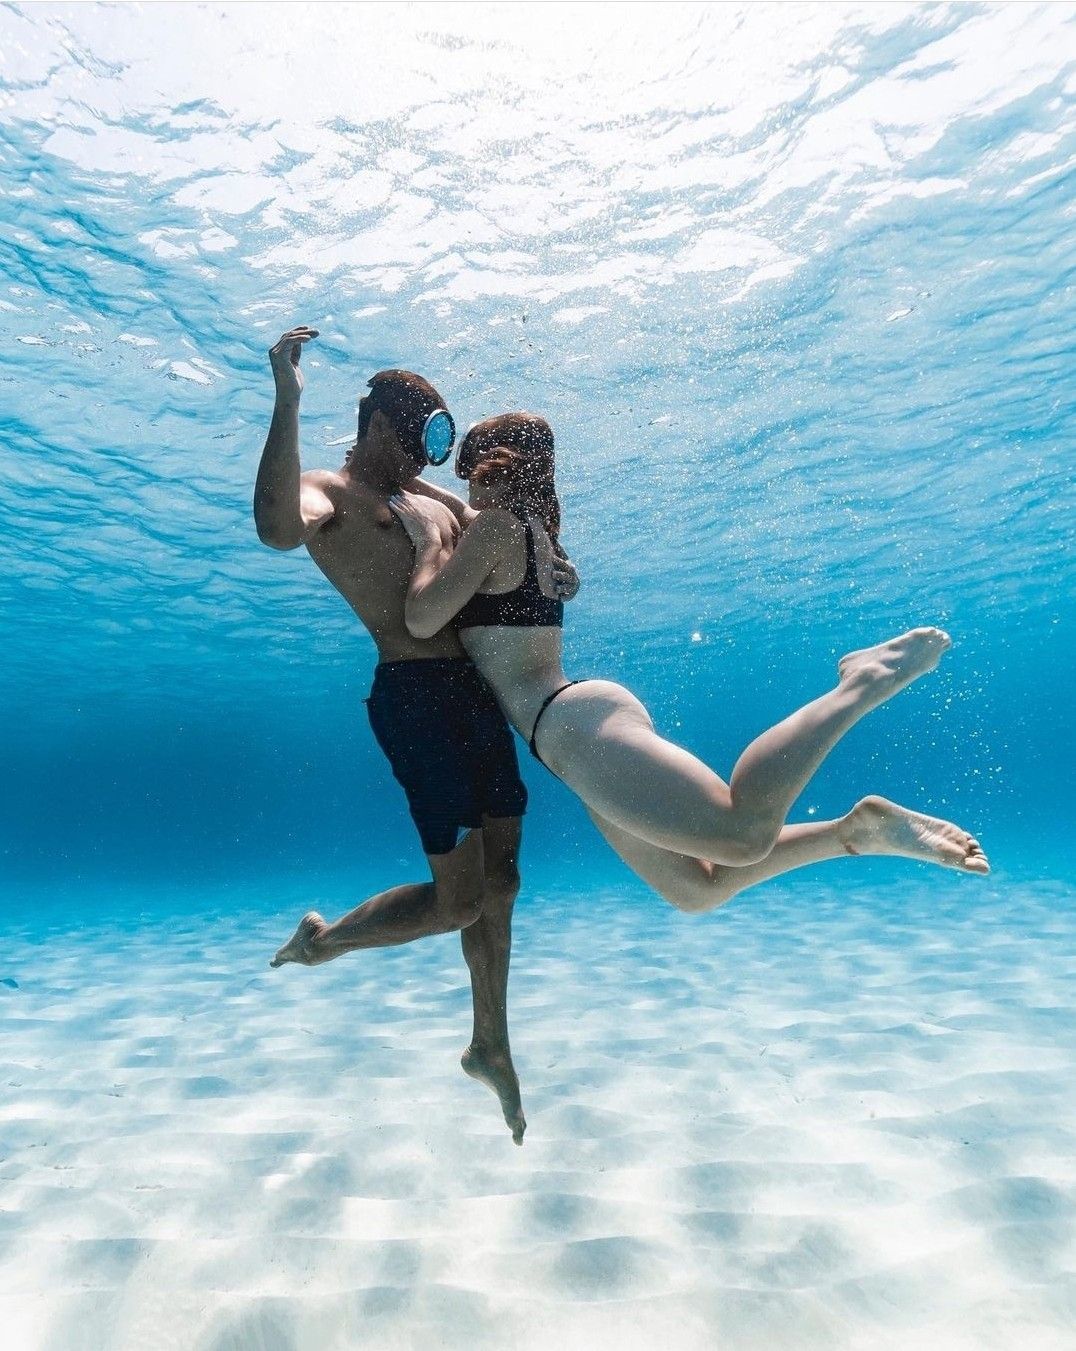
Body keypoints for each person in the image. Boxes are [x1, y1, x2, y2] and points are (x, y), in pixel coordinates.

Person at [388, 412, 989, 914]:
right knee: (696, 890)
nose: (463, 491)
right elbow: (469, 518)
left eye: (467, 472)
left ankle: (858, 684)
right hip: (573, 729)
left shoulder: (495, 528)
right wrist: (424, 493)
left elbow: (420, 617)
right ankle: (852, 833)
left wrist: (428, 544)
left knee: (742, 834)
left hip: (570, 727)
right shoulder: (530, 530)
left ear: (490, 466)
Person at [254, 332, 578, 1145]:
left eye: (435, 446)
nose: (423, 462)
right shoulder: (330, 492)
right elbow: (277, 528)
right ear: (376, 427)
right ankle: (324, 940)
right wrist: (288, 402)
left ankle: (489, 1043)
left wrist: (557, 568)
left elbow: (506, 543)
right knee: (459, 898)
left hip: (474, 691)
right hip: (415, 697)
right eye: (416, 443)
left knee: (503, 878)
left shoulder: (429, 498)